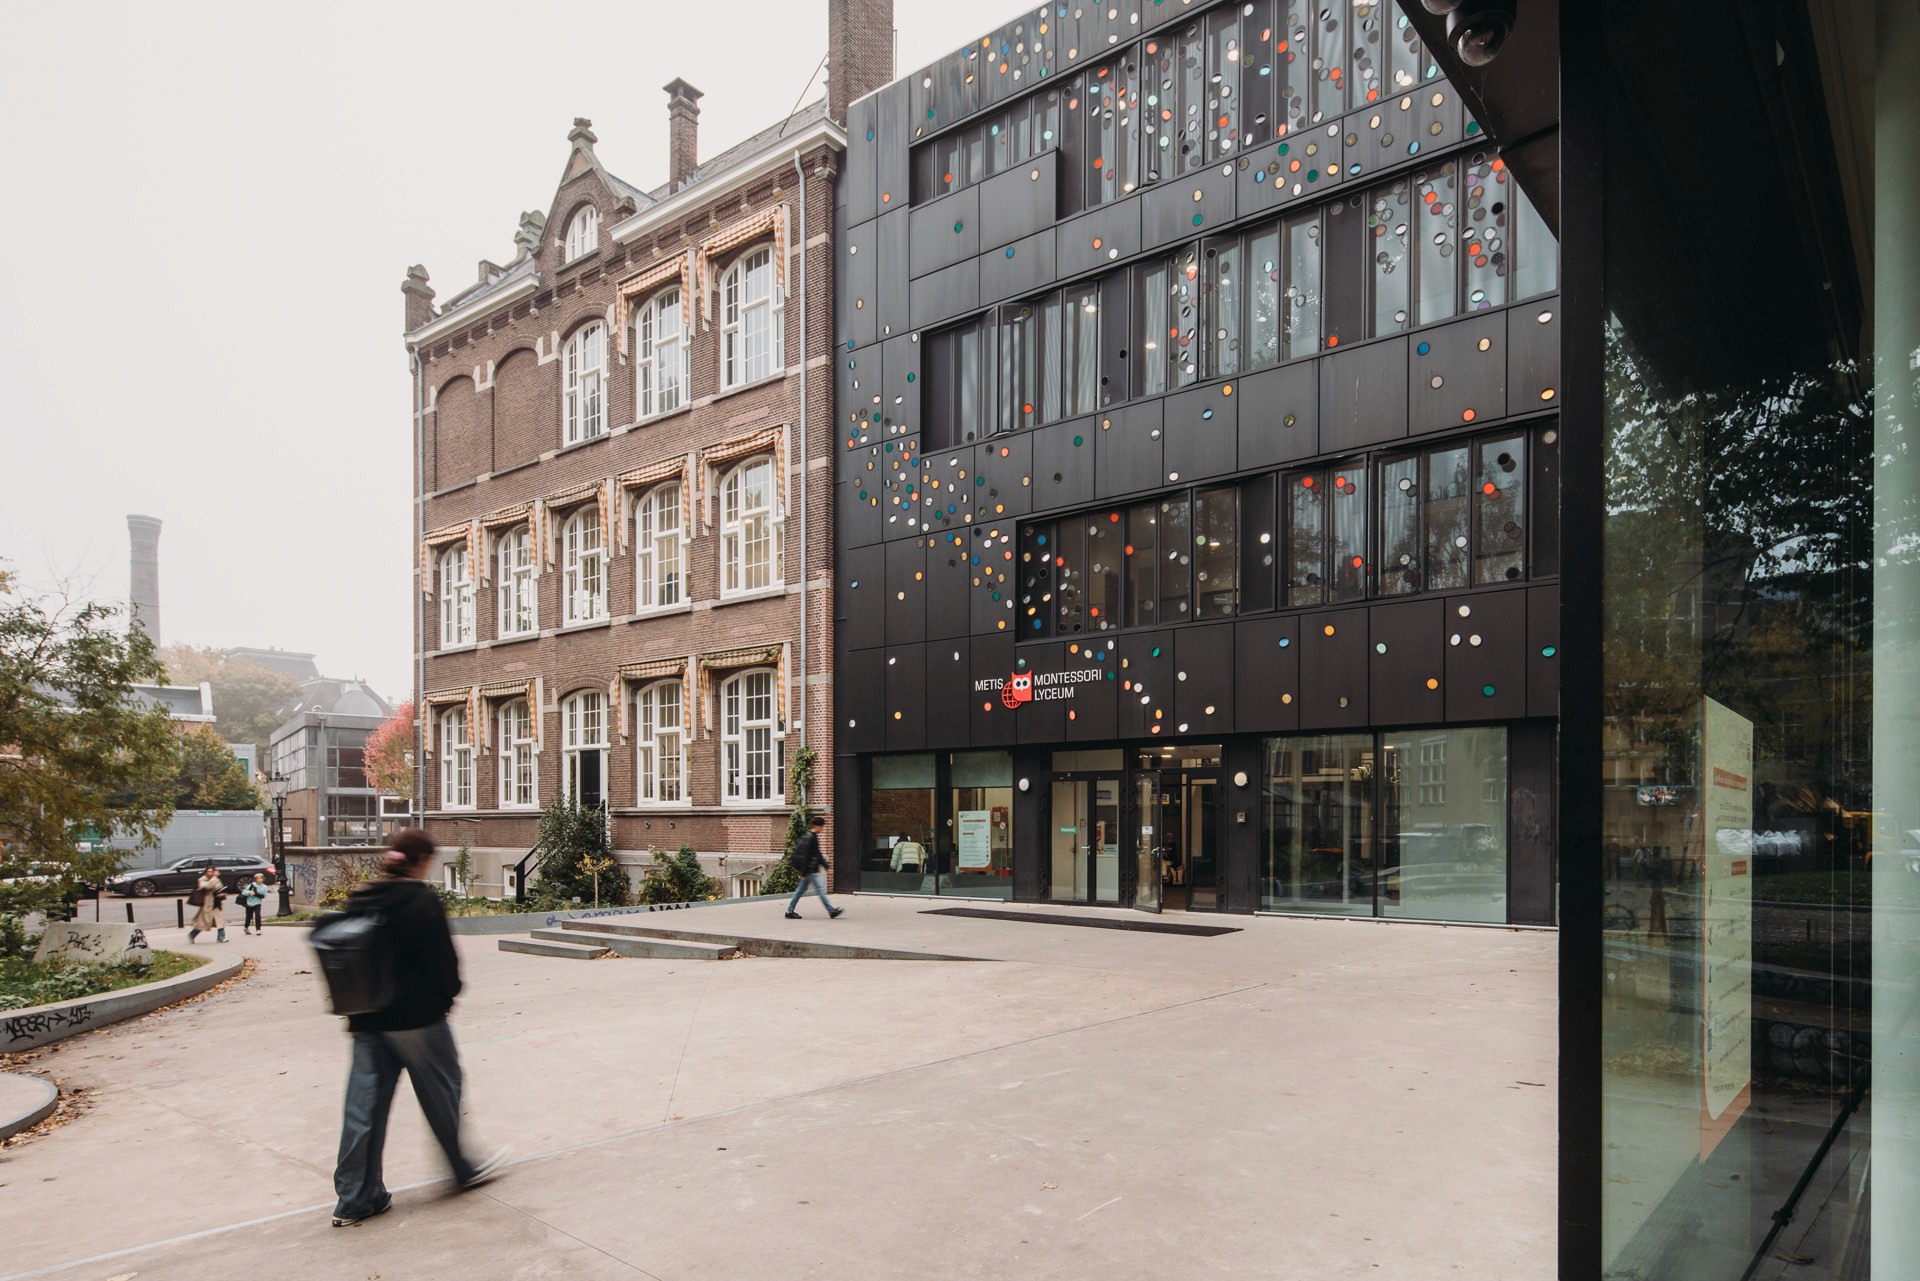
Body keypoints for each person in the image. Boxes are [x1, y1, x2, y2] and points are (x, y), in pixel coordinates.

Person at [330, 828, 504, 1228]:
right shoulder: (421, 900)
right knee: (442, 1094)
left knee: (363, 1110)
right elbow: (444, 964)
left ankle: (355, 1199)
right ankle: (461, 1168)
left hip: (367, 1021)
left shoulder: (362, 897)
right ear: (422, 859)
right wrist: (448, 997)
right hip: (417, 1020)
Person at [784, 814, 842, 920]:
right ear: (816, 826)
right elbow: (806, 856)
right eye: (821, 826)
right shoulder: (810, 838)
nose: (822, 828)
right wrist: (803, 873)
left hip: (809, 869)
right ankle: (831, 911)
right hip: (809, 870)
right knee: (820, 890)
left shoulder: (811, 837)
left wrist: (825, 865)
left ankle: (789, 910)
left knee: (800, 891)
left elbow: (817, 854)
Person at [186, 867, 226, 944]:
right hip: (207, 903)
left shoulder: (216, 879)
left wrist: (222, 894)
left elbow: (220, 888)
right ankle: (191, 935)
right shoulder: (202, 879)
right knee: (203, 922)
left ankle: (221, 938)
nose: (210, 873)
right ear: (205, 872)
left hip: (217, 902)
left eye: (211, 871)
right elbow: (207, 886)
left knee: (220, 920)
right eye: (208, 871)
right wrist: (215, 878)